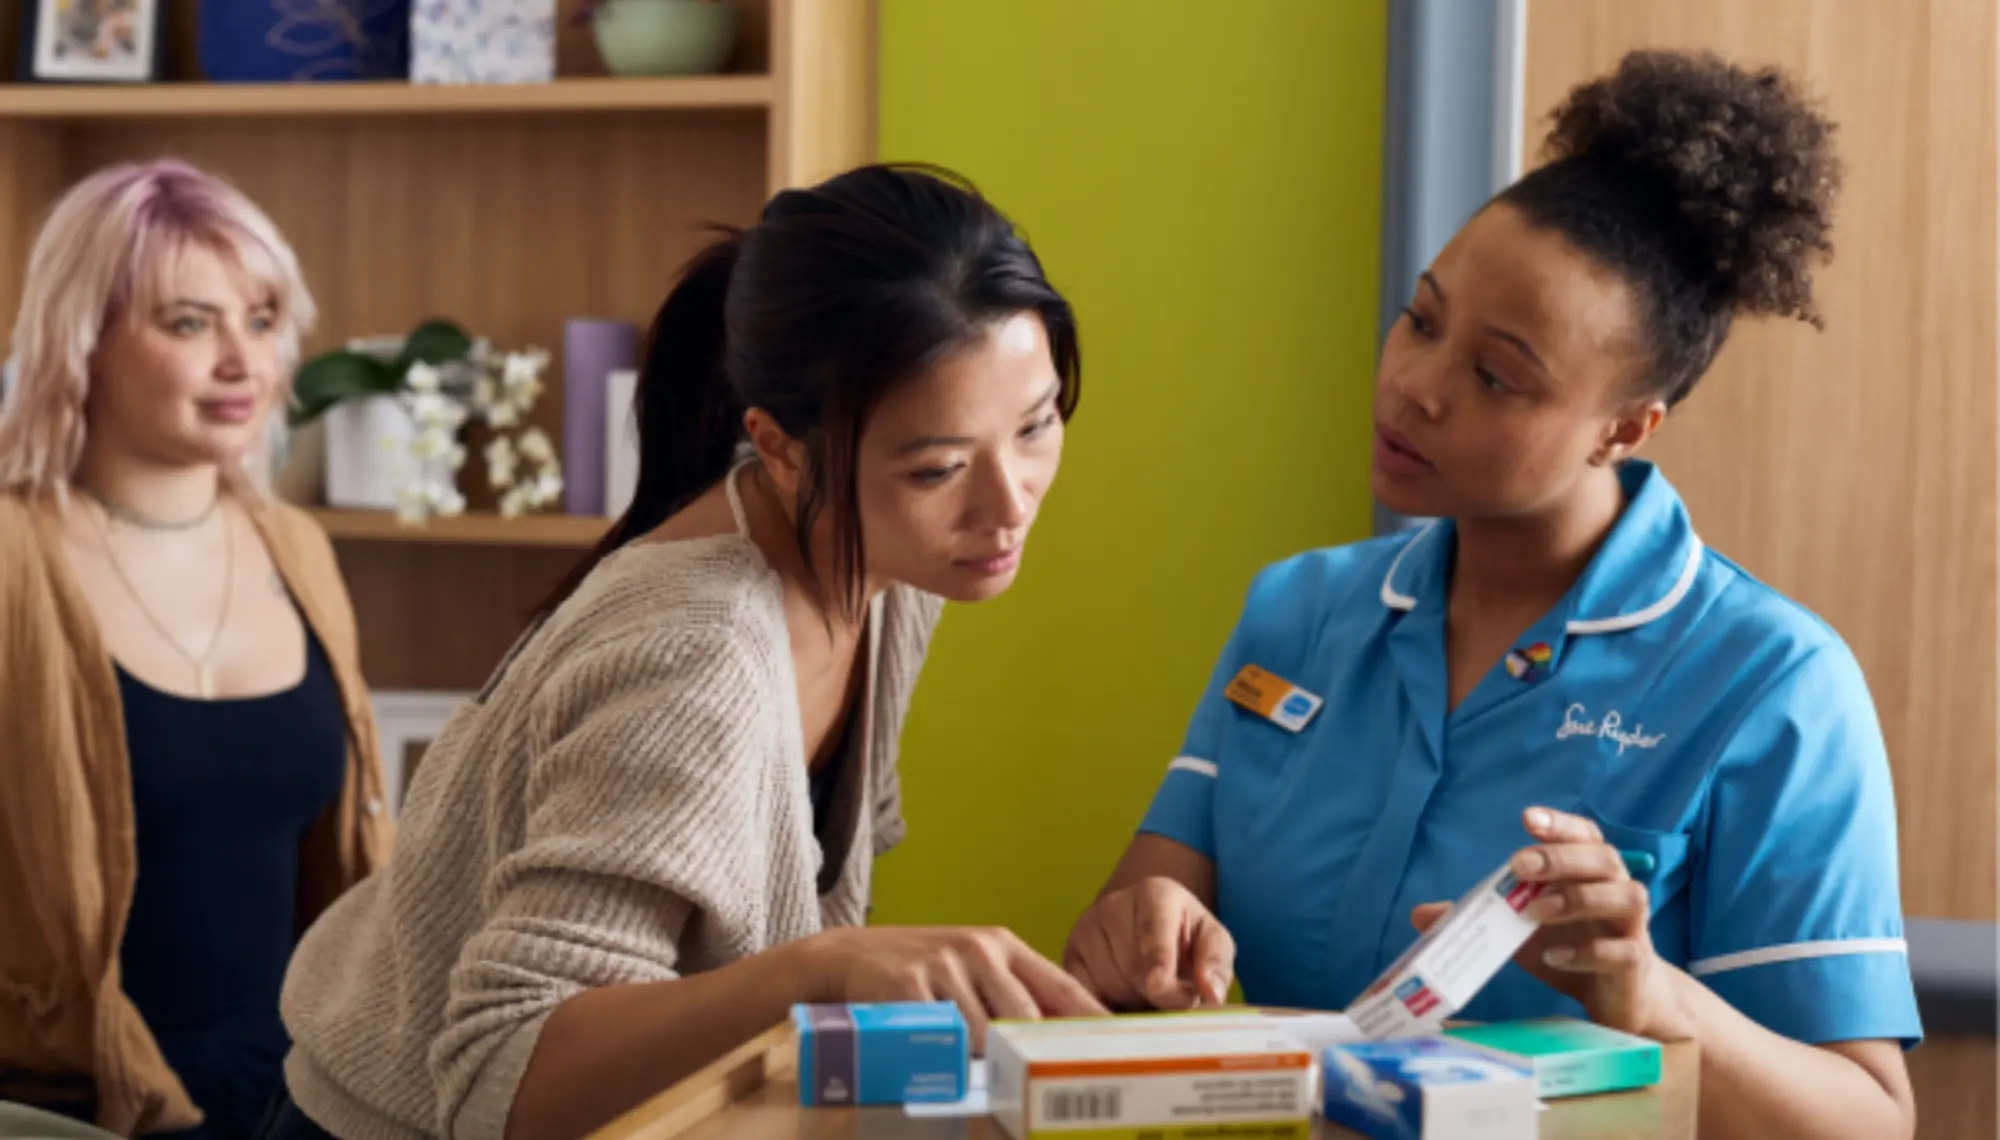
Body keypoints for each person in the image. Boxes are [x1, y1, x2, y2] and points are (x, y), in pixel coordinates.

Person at [1067, 49, 1921, 1140]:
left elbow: (1867, 1121)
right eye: (1421, 320)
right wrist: (1134, 938)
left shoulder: (1775, 685)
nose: (1413, 387)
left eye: (1496, 378)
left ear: (1623, 428)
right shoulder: (1295, 611)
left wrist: (1651, 997)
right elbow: (1114, 963)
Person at [265, 163, 1103, 1140]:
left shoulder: (892, 558)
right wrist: (817, 973)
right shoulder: (695, 657)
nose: (1008, 503)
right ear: (780, 446)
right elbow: (506, 1072)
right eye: (939, 467)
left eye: (1035, 424)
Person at [0, 159, 394, 1139]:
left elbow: (342, 875)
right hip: (70, 1108)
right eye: (189, 323)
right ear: (81, 339)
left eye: (259, 322)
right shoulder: (13, 558)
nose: (243, 362)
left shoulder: (293, 547)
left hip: (296, 1097)